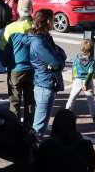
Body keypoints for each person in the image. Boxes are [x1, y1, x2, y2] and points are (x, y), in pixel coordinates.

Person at [28, 9, 66, 138]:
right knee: (39, 125)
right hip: (44, 84)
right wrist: (58, 60)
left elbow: (61, 53)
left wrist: (58, 58)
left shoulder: (45, 37)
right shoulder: (39, 42)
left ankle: (35, 150)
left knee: (42, 123)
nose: (54, 22)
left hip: (47, 82)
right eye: (53, 19)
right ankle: (32, 153)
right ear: (47, 21)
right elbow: (57, 62)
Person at [1, 0, 35, 127]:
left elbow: (4, 49)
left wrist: (4, 63)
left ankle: (14, 128)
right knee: (30, 101)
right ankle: (28, 128)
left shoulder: (10, 28)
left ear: (18, 10)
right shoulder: (36, 25)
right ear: (31, 10)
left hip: (15, 69)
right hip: (32, 69)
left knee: (14, 100)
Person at [65, 39, 95, 123]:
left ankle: (66, 113)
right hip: (87, 82)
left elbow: (74, 68)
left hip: (78, 80)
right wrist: (86, 83)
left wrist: (73, 77)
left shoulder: (77, 58)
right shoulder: (92, 61)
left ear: (81, 48)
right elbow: (90, 73)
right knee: (90, 99)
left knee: (72, 97)